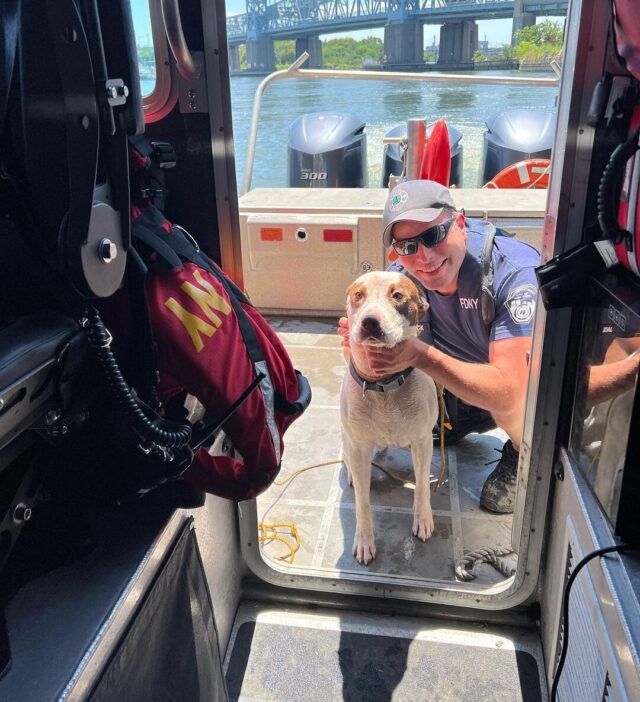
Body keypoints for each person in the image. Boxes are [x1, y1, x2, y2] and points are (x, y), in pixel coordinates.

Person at [339, 179, 541, 514]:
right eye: (407, 246)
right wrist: (359, 348)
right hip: (457, 376)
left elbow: (511, 391)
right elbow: (372, 361)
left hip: (515, 382)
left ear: (460, 223)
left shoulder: (513, 273)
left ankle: (520, 452)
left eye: (433, 236)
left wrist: (419, 355)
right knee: (423, 418)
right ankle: (461, 411)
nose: (424, 256)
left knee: (511, 404)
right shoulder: (399, 282)